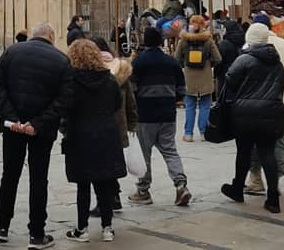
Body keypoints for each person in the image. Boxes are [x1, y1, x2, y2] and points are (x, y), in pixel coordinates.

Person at [0, 23, 73, 249]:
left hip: (12, 128)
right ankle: (36, 234)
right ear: (51, 36)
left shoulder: (12, 52)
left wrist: (12, 119)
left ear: (32, 36)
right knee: (38, 179)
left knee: (10, 175)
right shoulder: (61, 60)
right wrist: (37, 124)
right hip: (42, 131)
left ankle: (2, 227)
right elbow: (64, 100)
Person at [62, 39, 126, 243]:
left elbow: (65, 108)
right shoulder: (109, 80)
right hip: (106, 134)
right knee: (105, 183)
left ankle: (82, 229)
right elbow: (117, 104)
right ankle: (107, 228)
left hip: (80, 135)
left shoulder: (71, 81)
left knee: (83, 184)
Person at [220, 23, 284, 214]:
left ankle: (237, 189)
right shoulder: (277, 62)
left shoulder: (245, 59)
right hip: (272, 112)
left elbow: (230, 80)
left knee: (244, 152)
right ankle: (273, 198)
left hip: (245, 113)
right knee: (268, 153)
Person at [127, 27, 192, 207]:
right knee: (170, 151)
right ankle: (181, 185)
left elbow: (132, 90)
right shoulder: (171, 62)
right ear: (160, 41)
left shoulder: (138, 62)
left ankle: (143, 190)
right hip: (167, 114)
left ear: (145, 41)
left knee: (144, 154)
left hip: (145, 115)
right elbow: (181, 90)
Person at [244, 13, 284, 195]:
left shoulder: (250, 47)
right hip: (283, 101)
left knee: (254, 139)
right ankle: (275, 178)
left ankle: (255, 178)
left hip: (256, 102)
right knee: (279, 138)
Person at [89, 37, 137, 216]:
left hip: (98, 125)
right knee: (111, 161)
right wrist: (132, 123)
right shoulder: (121, 69)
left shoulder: (93, 71)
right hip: (119, 124)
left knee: (100, 165)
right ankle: (114, 197)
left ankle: (105, 202)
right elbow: (131, 101)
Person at [174, 16, 221, 142]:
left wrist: (185, 65)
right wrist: (208, 64)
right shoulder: (208, 41)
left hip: (189, 77)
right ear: (203, 25)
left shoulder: (183, 40)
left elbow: (176, 59)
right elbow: (218, 59)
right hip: (205, 76)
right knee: (205, 106)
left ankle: (188, 134)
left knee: (190, 106)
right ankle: (204, 132)